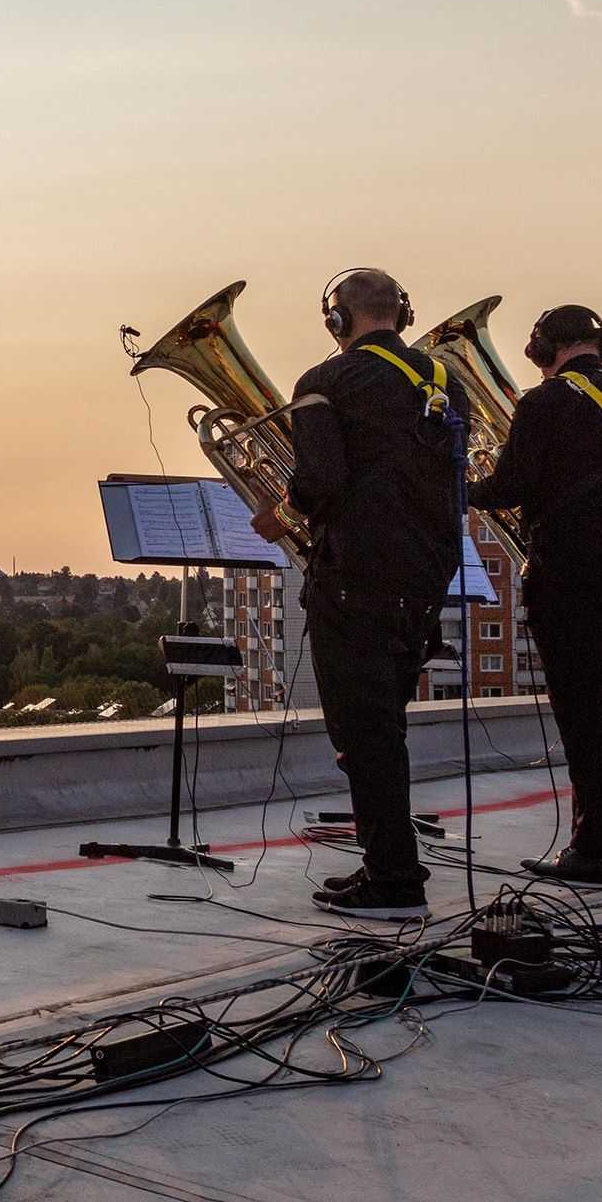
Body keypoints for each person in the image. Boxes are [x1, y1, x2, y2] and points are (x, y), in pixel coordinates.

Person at [254, 267, 468, 922]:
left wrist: (279, 509)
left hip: (357, 577)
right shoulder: (440, 380)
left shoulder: (326, 382)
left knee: (362, 732)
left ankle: (396, 881)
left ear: (336, 321)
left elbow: (322, 480)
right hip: (425, 580)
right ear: (400, 315)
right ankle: (389, 859)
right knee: (386, 726)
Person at [465, 305, 602, 888]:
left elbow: (509, 487)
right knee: (601, 705)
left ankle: (594, 852)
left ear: (544, 346)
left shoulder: (543, 402)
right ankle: (598, 838)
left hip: (567, 573)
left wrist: (456, 481)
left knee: (580, 712)